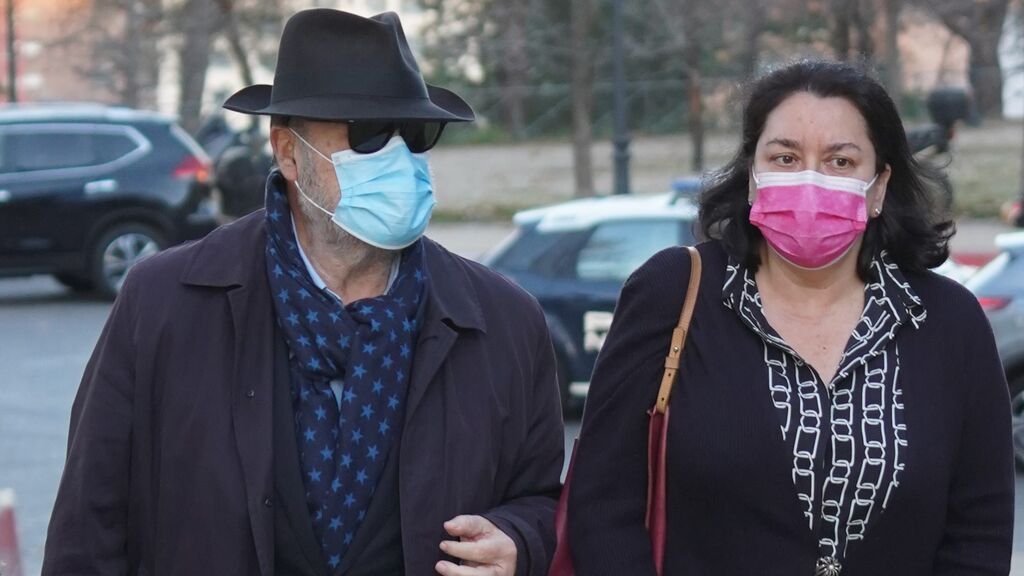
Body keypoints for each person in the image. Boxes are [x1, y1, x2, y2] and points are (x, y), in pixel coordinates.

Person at [42, 9, 564, 576]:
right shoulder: (164, 302)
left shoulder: (504, 321)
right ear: (289, 153)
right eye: (367, 137)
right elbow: (89, 524)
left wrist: (520, 540)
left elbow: (546, 501)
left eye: (416, 135)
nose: (399, 159)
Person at [566, 60, 1014, 575]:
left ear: (879, 186)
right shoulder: (673, 291)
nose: (809, 180)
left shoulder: (948, 320)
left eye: (841, 162)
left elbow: (979, 528)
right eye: (784, 157)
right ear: (752, 176)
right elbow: (602, 501)